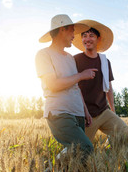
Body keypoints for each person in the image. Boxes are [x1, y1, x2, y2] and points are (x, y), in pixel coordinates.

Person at [35, 14, 98, 158]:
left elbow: (75, 86)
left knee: (75, 154)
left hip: (78, 113)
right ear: (62, 29)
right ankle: (56, 169)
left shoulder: (70, 58)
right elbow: (53, 85)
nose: (74, 36)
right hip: (60, 113)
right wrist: (82, 75)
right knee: (85, 148)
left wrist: (85, 111)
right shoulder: (43, 55)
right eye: (72, 31)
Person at [73, 20, 128, 141]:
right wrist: (85, 112)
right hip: (85, 114)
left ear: (98, 39)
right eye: (84, 36)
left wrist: (113, 111)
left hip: (103, 111)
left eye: (91, 35)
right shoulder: (75, 60)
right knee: (81, 149)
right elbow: (74, 88)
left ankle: (111, 154)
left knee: (125, 132)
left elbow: (108, 87)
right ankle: (60, 159)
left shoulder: (105, 61)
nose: (87, 39)